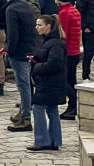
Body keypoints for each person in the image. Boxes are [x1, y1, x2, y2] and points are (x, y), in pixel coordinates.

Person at [29, 14, 68, 151]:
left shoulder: (55, 43)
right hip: (52, 83)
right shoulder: (50, 42)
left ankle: (42, 140)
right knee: (52, 110)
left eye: (39, 25)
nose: (36, 27)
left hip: (49, 83)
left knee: (38, 108)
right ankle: (54, 140)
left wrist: (37, 67)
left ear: (48, 26)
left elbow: (54, 64)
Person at [5, 0, 36, 132]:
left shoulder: (11, 9)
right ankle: (23, 111)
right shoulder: (26, 5)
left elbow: (13, 34)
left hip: (19, 51)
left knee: (23, 84)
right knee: (25, 83)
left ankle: (25, 118)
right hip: (30, 47)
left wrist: (10, 51)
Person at [55, 0, 82, 120]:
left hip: (67, 52)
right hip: (75, 50)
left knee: (65, 81)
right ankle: (72, 107)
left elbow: (63, 34)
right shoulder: (74, 10)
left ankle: (73, 104)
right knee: (71, 79)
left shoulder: (63, 13)